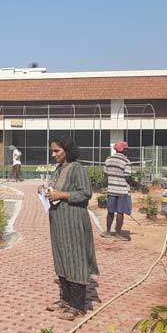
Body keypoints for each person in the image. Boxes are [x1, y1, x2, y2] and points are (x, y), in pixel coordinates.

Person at [44, 136, 99, 320]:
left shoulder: (78, 168)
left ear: (67, 150)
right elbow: (55, 189)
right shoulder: (59, 169)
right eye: (52, 151)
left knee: (75, 258)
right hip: (59, 221)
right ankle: (66, 299)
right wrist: (46, 191)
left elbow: (85, 194)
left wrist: (63, 194)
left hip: (74, 221)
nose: (53, 154)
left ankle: (78, 305)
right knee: (61, 257)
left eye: (56, 151)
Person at [103, 141, 132, 240]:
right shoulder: (126, 161)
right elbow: (127, 177)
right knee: (120, 212)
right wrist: (135, 183)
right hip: (122, 191)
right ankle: (118, 234)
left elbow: (105, 176)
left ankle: (107, 232)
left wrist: (106, 186)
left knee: (110, 212)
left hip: (111, 189)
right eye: (126, 149)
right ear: (124, 150)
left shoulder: (108, 159)